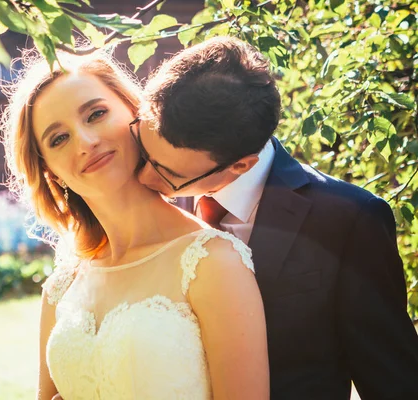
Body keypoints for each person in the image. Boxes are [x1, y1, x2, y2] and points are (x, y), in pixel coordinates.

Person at [136, 36, 418, 400]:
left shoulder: (349, 220)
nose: (143, 178)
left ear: (240, 166)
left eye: (166, 171)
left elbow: (395, 383)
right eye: (143, 151)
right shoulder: (147, 204)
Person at [0, 50, 269, 399]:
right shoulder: (61, 288)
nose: (86, 141)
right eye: (58, 139)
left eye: (96, 114)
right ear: (50, 170)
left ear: (133, 111)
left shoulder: (212, 262)